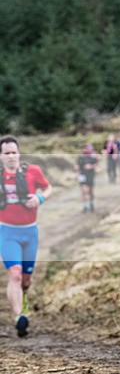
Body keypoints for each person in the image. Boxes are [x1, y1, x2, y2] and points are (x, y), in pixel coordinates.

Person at [0, 136, 53, 337]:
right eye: (7, 153)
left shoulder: (32, 171)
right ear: (1, 156)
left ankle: (23, 300)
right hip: (7, 232)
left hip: (30, 232)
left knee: (25, 281)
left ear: (19, 153)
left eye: (14, 152)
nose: (11, 156)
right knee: (15, 273)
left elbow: (48, 188)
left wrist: (40, 198)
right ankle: (19, 317)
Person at [75, 143, 98, 213]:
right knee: (84, 191)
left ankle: (91, 203)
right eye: (84, 148)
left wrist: (91, 166)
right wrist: (76, 167)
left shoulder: (92, 157)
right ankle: (85, 206)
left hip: (90, 175)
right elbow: (77, 166)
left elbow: (96, 164)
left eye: (87, 148)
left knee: (90, 191)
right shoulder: (80, 157)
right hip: (82, 175)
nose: (85, 150)